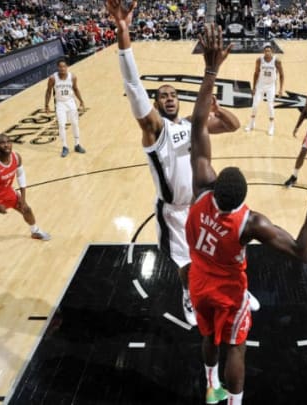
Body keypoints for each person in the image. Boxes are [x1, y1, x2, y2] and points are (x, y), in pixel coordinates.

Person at [188, 23, 307, 405]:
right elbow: (302, 251)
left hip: (198, 284)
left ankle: (209, 385)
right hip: (228, 293)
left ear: (215, 186)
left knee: (207, 337)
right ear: (241, 200)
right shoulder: (250, 223)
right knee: (236, 346)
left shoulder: (200, 188)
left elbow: (198, 128)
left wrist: (210, 70)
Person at [106, 0, 249, 327]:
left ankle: (234, 291)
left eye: (173, 95)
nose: (169, 98)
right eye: (163, 96)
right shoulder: (156, 131)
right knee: (189, 265)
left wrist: (216, 106)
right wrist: (124, 33)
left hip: (204, 203)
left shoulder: (189, 125)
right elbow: (134, 87)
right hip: (174, 211)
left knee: (224, 252)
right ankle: (188, 294)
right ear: (156, 105)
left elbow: (232, 125)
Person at [0, 134, 51, 281]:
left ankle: (35, 231)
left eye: (8, 142)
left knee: (27, 209)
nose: (6, 145)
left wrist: (23, 199)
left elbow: (21, 176)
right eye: (2, 143)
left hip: (6, 190)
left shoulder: (16, 157)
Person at [45, 60, 86, 158]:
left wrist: (81, 100)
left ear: (67, 67)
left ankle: (77, 144)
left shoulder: (72, 77)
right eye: (60, 67)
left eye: (64, 66)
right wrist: (46, 104)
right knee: (61, 125)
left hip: (70, 102)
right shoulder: (52, 78)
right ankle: (65, 147)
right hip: (60, 103)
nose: (62, 68)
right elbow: (48, 91)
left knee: (75, 123)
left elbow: (76, 89)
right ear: (57, 67)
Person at [244, 43, 284, 136]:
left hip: (271, 86)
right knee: (255, 105)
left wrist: (281, 89)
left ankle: (271, 126)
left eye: (269, 50)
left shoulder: (276, 61)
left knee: (270, 106)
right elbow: (256, 73)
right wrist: (253, 88)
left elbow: (282, 75)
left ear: (272, 51)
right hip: (260, 85)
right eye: (265, 51)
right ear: (263, 51)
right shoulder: (259, 60)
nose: (267, 52)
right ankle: (251, 123)